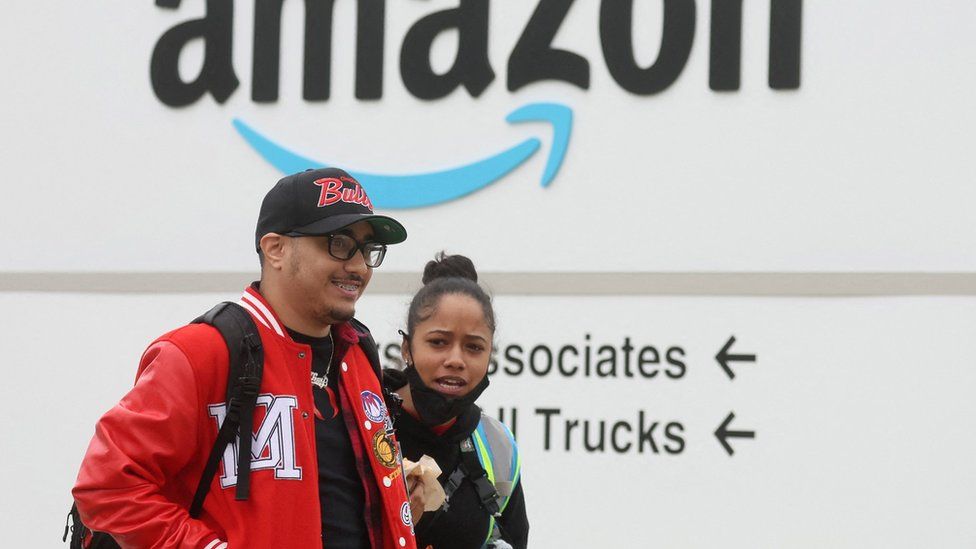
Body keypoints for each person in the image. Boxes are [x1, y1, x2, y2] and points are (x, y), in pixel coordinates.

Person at [73, 168, 420, 549]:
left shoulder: (357, 351)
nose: (358, 267)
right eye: (338, 244)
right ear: (276, 249)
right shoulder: (201, 352)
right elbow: (108, 485)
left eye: (368, 250)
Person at [385, 253, 529, 549]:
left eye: (474, 347)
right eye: (438, 342)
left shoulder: (497, 446)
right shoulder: (358, 421)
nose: (455, 360)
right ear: (407, 348)